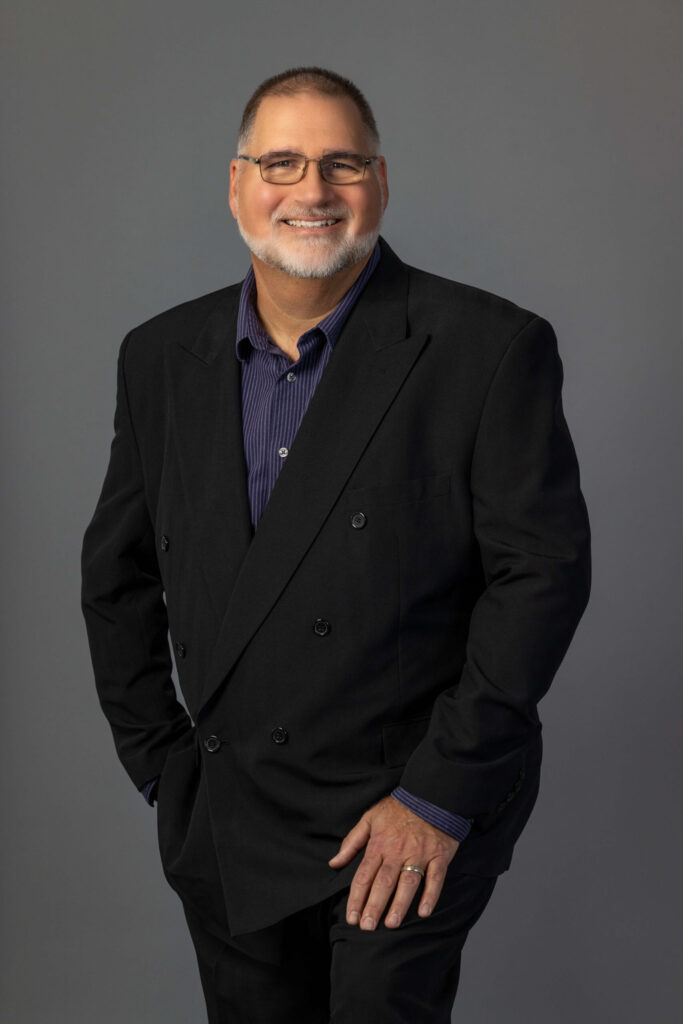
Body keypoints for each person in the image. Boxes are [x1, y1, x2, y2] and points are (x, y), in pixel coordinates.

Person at [80, 65, 591, 1023]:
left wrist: (438, 799)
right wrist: (163, 766)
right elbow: (117, 576)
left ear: (380, 183)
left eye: (339, 163)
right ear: (236, 184)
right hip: (231, 808)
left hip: (404, 799)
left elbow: (542, 580)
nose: (311, 191)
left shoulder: (485, 347)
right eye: (280, 162)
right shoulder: (159, 357)